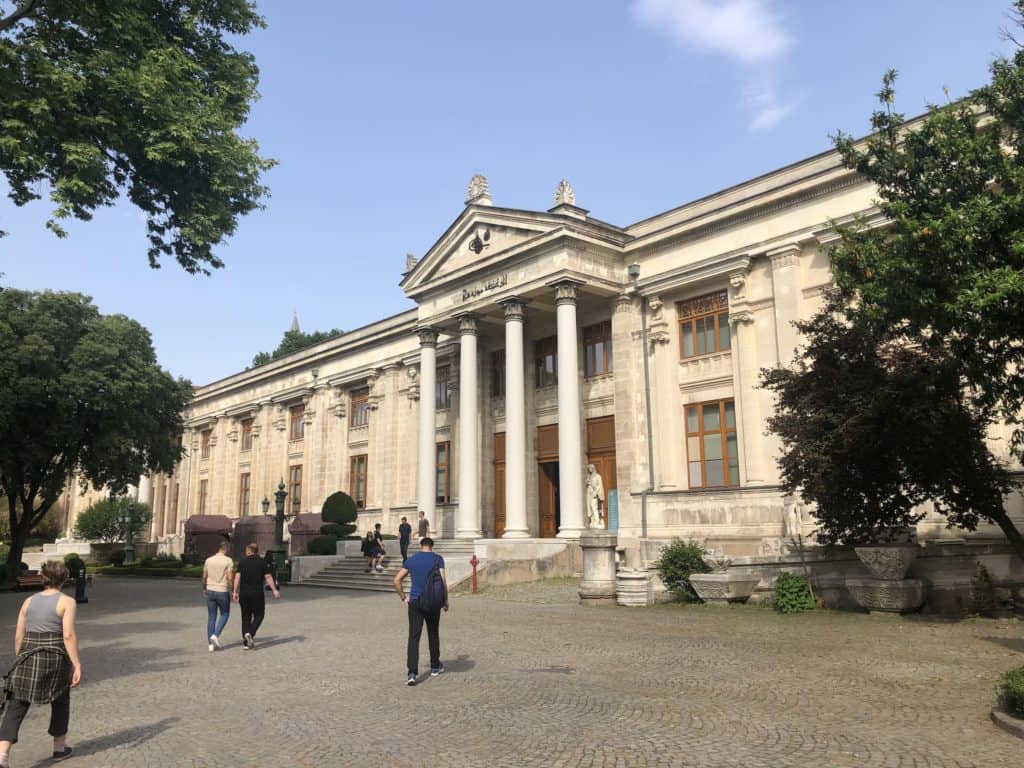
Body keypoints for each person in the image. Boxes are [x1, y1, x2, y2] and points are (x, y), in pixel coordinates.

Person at [0, 561, 82, 765]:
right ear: (64, 579)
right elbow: (68, 635)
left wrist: (21, 657)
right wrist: (77, 664)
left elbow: (19, 635)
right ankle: (59, 748)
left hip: (28, 656)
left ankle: (1, 756)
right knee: (61, 700)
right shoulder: (67, 601)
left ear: (43, 578)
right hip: (55, 658)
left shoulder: (28, 601)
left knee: (17, 705)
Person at [393, 537, 448, 686]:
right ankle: (435, 666)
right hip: (433, 601)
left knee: (414, 637)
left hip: (415, 601)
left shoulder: (412, 560)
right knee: (433, 633)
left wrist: (403, 597)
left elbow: (397, 580)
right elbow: (442, 581)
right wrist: (445, 600)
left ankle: (412, 673)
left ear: (420, 545)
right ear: (432, 546)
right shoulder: (438, 559)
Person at [232, 543, 280, 650]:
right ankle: (250, 633)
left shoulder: (242, 562)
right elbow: (268, 577)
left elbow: (237, 577)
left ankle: (246, 643)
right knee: (259, 615)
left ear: (249, 551)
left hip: (244, 593)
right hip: (257, 593)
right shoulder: (262, 562)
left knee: (245, 617)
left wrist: (235, 591)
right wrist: (274, 590)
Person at [202, 540, 234, 651]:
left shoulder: (208, 560)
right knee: (225, 614)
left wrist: (204, 588)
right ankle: (215, 635)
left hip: (210, 589)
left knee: (211, 617)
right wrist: (232, 589)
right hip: (222, 590)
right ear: (226, 549)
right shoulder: (228, 561)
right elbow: (230, 577)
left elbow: (204, 576)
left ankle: (210, 645)